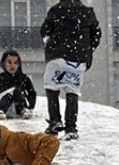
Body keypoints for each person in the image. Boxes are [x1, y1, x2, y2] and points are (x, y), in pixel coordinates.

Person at [40, 0, 102, 140]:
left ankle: (55, 121)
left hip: (58, 56)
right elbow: (96, 35)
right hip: (78, 60)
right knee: (72, 91)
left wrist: (50, 44)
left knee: (51, 87)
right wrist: (86, 48)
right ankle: (71, 127)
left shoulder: (55, 10)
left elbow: (45, 31)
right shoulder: (88, 12)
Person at [0, 50, 37, 119]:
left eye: (15, 63)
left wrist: (31, 107)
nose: (12, 65)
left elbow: (32, 93)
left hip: (18, 108)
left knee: (17, 91)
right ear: (3, 63)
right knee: (12, 92)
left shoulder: (24, 78)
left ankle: (23, 110)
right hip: (3, 107)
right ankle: (0, 110)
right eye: (9, 62)